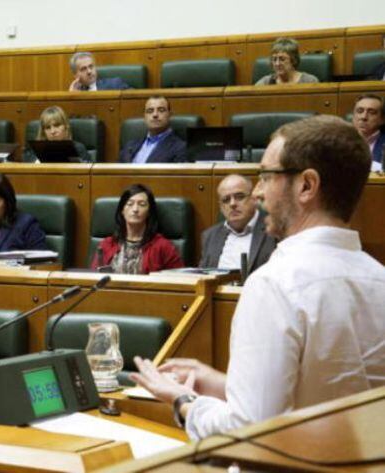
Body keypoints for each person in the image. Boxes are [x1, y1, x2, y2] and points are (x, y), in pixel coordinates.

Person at [130, 115, 385, 441]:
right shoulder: (379, 278)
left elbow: (248, 430)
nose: (259, 192)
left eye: (266, 176)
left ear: (306, 185)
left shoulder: (274, 284)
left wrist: (184, 401)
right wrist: (218, 382)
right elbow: (323, 396)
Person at [90, 184, 183, 274]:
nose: (135, 209)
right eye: (130, 204)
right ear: (122, 210)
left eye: (142, 204)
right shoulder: (106, 245)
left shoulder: (163, 247)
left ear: (149, 212)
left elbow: (179, 281)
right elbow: (94, 280)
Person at [199, 174, 276, 275]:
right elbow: (202, 276)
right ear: (221, 207)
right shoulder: (210, 236)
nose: (232, 204)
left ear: (253, 199)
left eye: (239, 197)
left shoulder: (274, 229)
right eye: (226, 200)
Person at [119, 96, 187, 163]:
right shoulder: (130, 146)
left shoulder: (181, 148)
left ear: (170, 115)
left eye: (161, 110)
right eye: (150, 111)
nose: (155, 115)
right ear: (145, 117)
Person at [23, 106, 91, 163]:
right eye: (48, 127)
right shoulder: (33, 152)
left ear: (66, 127)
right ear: (43, 132)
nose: (52, 131)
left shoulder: (78, 149)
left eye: (57, 125)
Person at [254, 37, 319, 85]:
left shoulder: (310, 81)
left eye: (282, 59)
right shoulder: (264, 83)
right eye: (274, 59)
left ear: (294, 60)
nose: (277, 64)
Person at [351, 93, 384, 171]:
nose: (364, 117)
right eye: (359, 111)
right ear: (353, 116)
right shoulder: (339, 142)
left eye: (371, 112)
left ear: (382, 119)